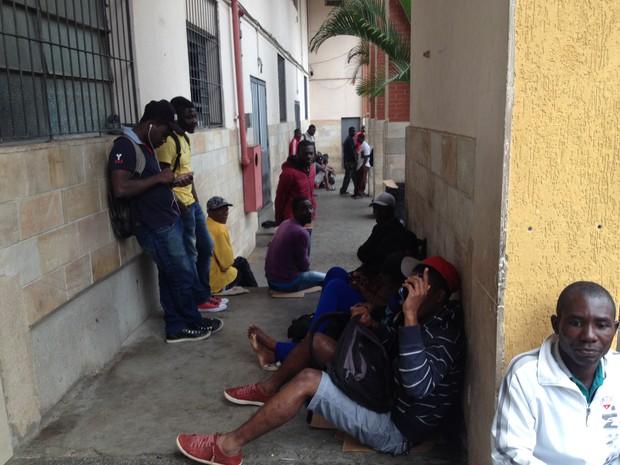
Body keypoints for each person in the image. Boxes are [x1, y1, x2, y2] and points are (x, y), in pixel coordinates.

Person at [175, 256, 465, 464]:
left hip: (395, 428)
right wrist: (374, 326)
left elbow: (417, 388)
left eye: (418, 290)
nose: (407, 295)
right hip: (386, 390)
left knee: (307, 381)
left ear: (439, 297)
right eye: (410, 286)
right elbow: (396, 349)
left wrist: (410, 315)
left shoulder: (445, 335)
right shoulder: (424, 314)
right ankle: (269, 389)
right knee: (317, 342)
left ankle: (227, 447)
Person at [108, 100, 222, 343]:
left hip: (167, 220)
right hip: (153, 225)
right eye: (165, 132)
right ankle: (185, 323)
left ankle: (181, 323)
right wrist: (160, 178)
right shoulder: (125, 147)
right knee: (181, 275)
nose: (165, 139)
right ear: (151, 124)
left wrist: (171, 184)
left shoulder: (146, 145)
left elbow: (150, 183)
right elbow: (120, 188)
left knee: (173, 274)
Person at [491, 281, 620, 465]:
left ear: (615, 329)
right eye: (576, 323)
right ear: (556, 324)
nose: (589, 336)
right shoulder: (525, 374)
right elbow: (508, 454)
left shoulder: (617, 371)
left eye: (602, 325)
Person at [155, 96, 226, 313]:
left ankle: (203, 293)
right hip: (180, 208)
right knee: (190, 254)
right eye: (189, 116)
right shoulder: (168, 142)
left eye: (195, 115)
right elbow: (162, 178)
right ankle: (198, 299)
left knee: (206, 246)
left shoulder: (184, 138)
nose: (194, 120)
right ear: (176, 117)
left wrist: (195, 200)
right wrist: (180, 203)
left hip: (191, 203)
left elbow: (187, 174)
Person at [265, 197, 325, 292]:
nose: (309, 212)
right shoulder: (300, 232)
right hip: (285, 283)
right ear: (295, 212)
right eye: (303, 209)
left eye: (310, 208)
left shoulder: (285, 223)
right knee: (329, 278)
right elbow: (304, 266)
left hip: (271, 280)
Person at [357, 192, 420, 277]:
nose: (376, 213)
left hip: (377, 275)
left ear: (389, 211)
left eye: (379, 210)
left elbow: (366, 254)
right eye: (375, 209)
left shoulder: (388, 231)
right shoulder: (384, 228)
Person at [206, 196, 258, 296]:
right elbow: (226, 264)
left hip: (207, 278)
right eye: (220, 210)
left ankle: (254, 290)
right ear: (210, 212)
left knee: (240, 262)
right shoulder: (219, 230)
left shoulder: (206, 224)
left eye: (226, 209)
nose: (225, 212)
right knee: (242, 267)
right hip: (216, 284)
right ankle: (255, 293)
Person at [274, 140, 316, 225]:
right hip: (292, 219)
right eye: (305, 154)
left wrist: (313, 209)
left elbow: (311, 193)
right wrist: (278, 221)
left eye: (311, 153)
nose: (308, 156)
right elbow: (280, 198)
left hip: (308, 217)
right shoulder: (288, 173)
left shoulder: (312, 169)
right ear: (298, 154)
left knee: (306, 237)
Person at [353, 133, 371, 198]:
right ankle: (359, 192)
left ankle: (360, 193)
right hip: (361, 165)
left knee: (362, 180)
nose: (357, 139)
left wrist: (362, 166)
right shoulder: (362, 145)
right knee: (360, 179)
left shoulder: (365, 146)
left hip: (364, 165)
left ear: (362, 138)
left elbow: (366, 157)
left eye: (358, 138)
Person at [340, 126, 357, 195]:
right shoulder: (349, 140)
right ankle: (343, 190)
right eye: (353, 131)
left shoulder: (349, 139)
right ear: (349, 132)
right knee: (348, 177)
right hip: (349, 162)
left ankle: (344, 190)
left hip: (348, 161)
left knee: (350, 176)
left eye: (354, 131)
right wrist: (356, 160)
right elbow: (352, 151)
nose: (354, 132)